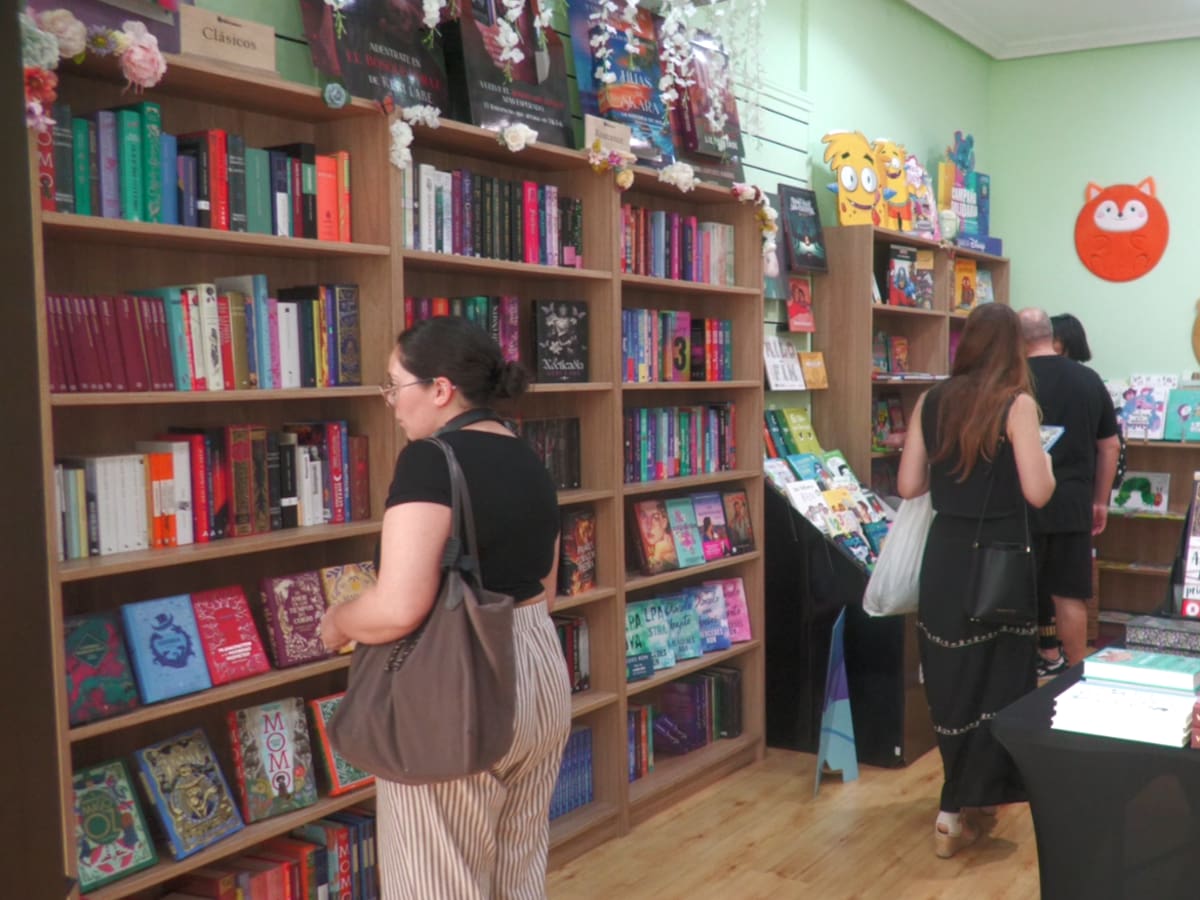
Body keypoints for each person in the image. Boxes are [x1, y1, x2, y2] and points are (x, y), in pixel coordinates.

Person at [318, 317, 570, 899]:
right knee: (517, 872)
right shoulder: (528, 456)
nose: (390, 404)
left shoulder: (431, 460)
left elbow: (400, 607)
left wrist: (338, 623)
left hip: (455, 686)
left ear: (439, 388)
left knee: (439, 883)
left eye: (393, 386)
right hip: (534, 664)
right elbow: (546, 588)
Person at [898, 303, 1056, 859]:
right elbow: (1038, 492)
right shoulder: (1018, 405)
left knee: (950, 682)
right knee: (998, 685)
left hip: (945, 557)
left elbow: (909, 484)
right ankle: (958, 802)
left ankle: (964, 800)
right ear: (1013, 348)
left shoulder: (929, 400)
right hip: (1001, 560)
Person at [1020, 308, 1120, 676]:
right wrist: (1100, 501)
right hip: (1072, 502)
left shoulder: (1012, 380)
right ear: (1052, 336)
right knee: (1070, 594)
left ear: (1019, 340)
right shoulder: (1088, 379)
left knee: (1015, 592)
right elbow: (1109, 446)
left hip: (1020, 503)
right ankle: (1077, 674)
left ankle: (1017, 674)